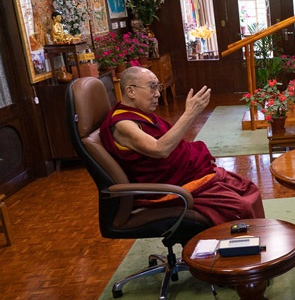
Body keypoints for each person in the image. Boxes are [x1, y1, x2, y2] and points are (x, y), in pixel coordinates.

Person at [99, 67, 266, 225]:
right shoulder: (123, 124)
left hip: (186, 175)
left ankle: (257, 240)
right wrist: (190, 113)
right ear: (130, 91)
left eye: (158, 87)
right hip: (168, 188)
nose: (157, 94)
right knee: (239, 207)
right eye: (152, 87)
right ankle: (239, 249)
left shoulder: (141, 115)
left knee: (246, 187)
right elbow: (160, 149)